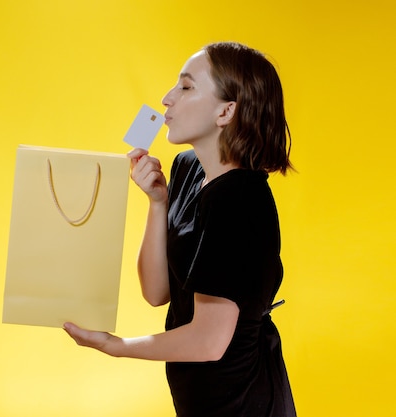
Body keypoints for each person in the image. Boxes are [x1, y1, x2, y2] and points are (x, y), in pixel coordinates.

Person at [63, 41, 297, 416]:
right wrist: (158, 203)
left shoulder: (241, 198)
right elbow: (157, 292)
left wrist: (116, 346)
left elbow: (209, 341)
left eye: (186, 87)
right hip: (199, 399)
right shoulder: (188, 168)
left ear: (226, 111)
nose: (166, 98)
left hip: (242, 402)